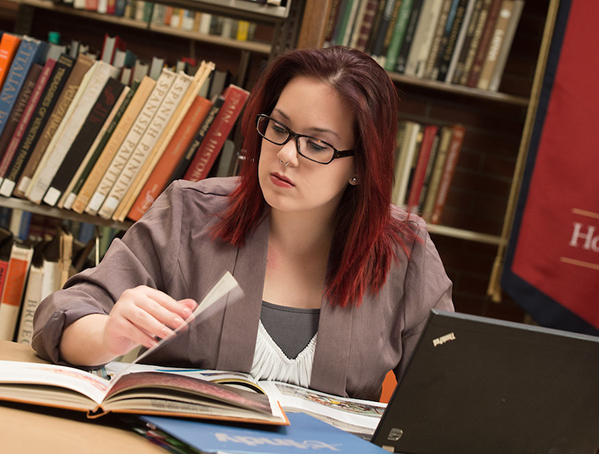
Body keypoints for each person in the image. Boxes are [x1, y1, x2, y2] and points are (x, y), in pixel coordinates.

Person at [32, 46, 454, 401]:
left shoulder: (405, 252)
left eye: (316, 144)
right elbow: (65, 317)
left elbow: (450, 394)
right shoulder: (190, 212)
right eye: (279, 128)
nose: (287, 154)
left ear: (360, 164)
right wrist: (110, 334)